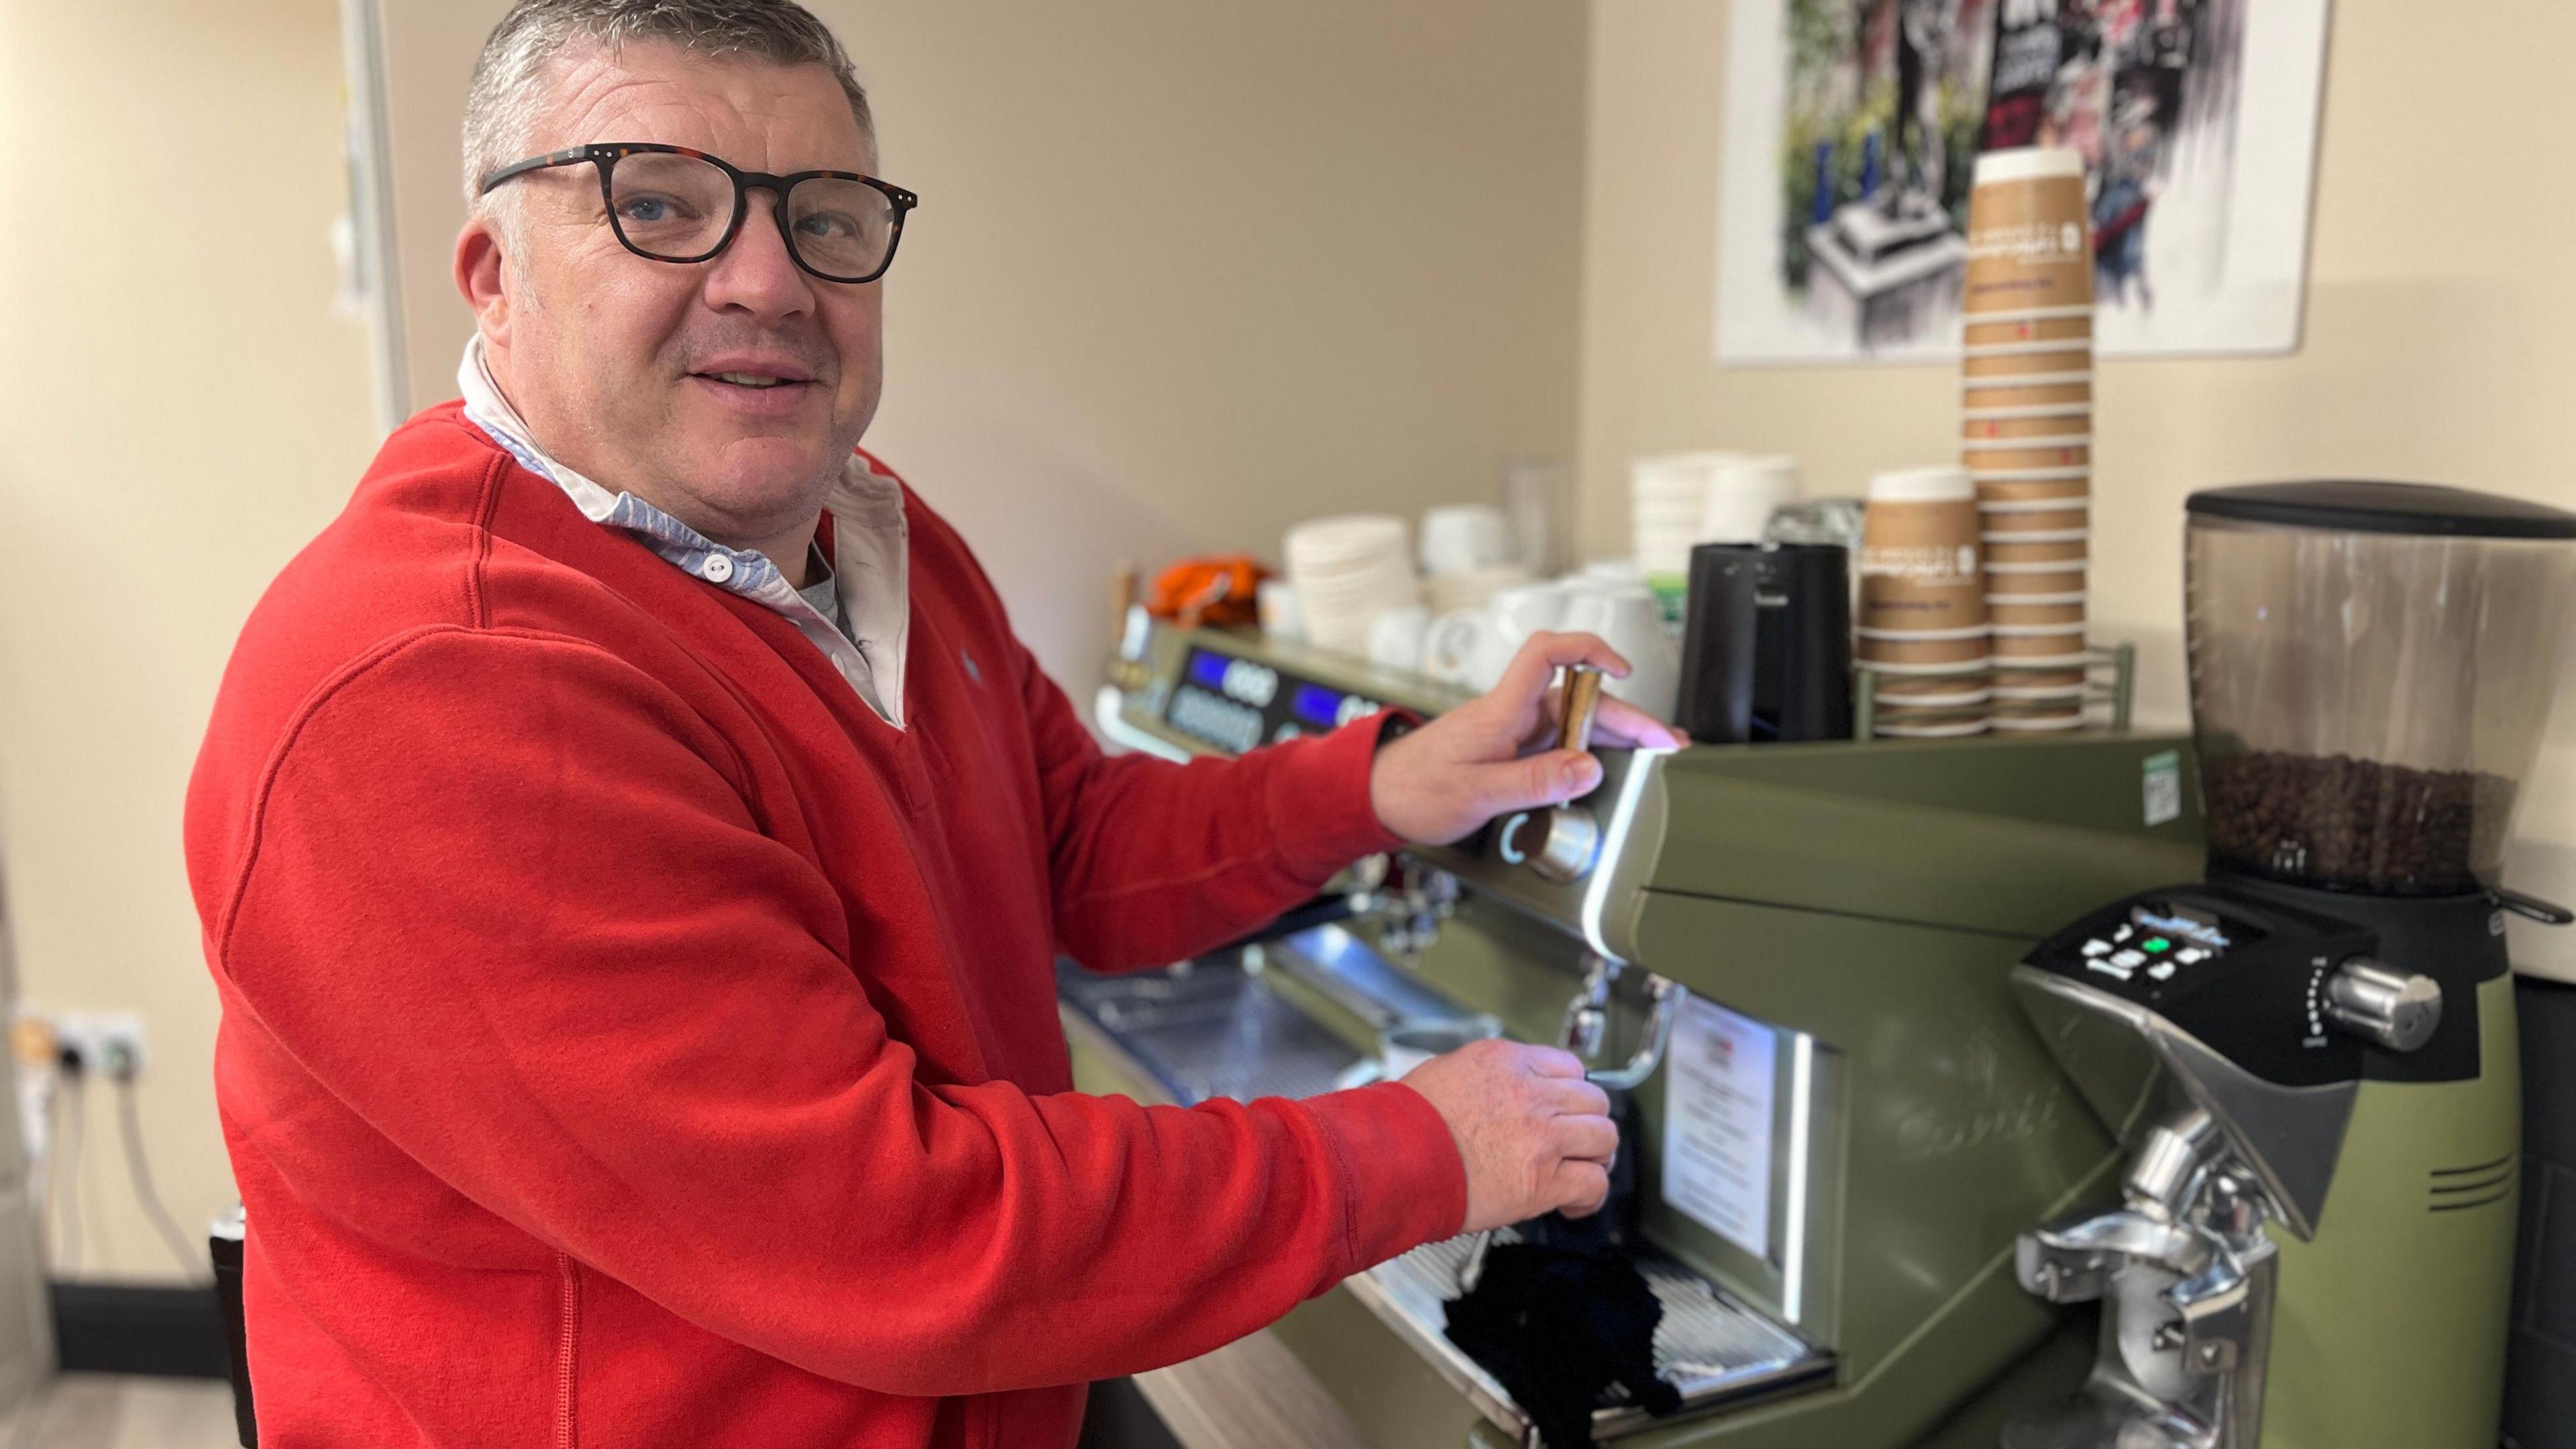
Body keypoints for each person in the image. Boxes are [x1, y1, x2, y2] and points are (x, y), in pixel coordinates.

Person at [182, 2, 1680, 1445]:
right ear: (492, 270)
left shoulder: (867, 531)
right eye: (660, 205)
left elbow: (1071, 843)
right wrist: (1418, 1148)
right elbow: (894, 1230)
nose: (767, 279)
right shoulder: (444, 688)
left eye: (825, 217)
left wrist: (1386, 785)